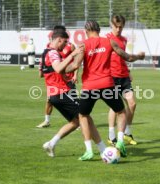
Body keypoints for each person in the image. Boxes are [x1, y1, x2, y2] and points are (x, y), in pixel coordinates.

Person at [65, 20, 145, 160]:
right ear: (99, 29)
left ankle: (89, 150)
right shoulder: (109, 41)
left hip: (90, 87)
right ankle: (120, 141)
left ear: (86, 31)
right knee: (121, 112)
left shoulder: (83, 44)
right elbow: (128, 57)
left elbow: (76, 65)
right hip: (107, 85)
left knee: (83, 116)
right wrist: (139, 56)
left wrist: (62, 70)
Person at [42, 30, 106, 158]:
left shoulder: (46, 52)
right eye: (65, 42)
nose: (66, 45)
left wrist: (66, 75)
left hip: (54, 94)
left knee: (76, 122)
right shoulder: (53, 52)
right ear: (59, 39)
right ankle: (102, 149)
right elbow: (58, 68)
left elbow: (52, 72)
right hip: (62, 92)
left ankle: (51, 143)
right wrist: (73, 55)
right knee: (85, 116)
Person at [37, 26, 79, 128]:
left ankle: (53, 140)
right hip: (58, 82)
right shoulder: (51, 50)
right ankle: (47, 121)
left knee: (74, 103)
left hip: (66, 79)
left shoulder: (70, 46)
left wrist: (75, 74)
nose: (65, 44)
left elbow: (75, 63)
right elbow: (57, 68)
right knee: (82, 113)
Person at [106, 15, 138, 146]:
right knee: (115, 107)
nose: (118, 29)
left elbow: (123, 58)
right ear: (111, 25)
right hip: (112, 77)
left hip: (124, 76)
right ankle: (111, 135)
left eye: (121, 27)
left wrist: (128, 71)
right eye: (116, 26)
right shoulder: (106, 39)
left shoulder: (124, 40)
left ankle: (126, 132)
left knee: (132, 104)